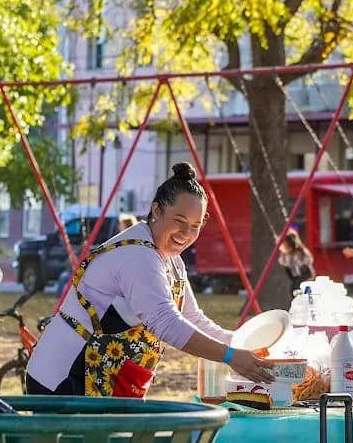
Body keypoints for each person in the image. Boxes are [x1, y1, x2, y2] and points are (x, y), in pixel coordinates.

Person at [26, 162, 274, 396]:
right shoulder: (138, 255)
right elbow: (166, 322)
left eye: (195, 225)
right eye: (179, 221)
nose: (186, 234)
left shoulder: (171, 259)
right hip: (63, 376)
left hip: (107, 376)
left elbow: (193, 319)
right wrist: (230, 356)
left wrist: (245, 348)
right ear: (156, 209)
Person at [277, 229, 315, 296]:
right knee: (295, 290)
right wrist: (282, 252)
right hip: (296, 278)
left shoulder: (299, 252)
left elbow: (309, 260)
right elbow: (282, 262)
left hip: (305, 277)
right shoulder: (287, 255)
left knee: (302, 290)